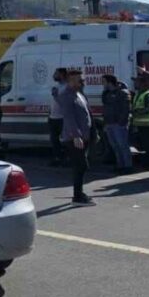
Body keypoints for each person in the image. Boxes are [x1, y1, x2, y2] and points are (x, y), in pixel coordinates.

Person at [58, 69, 94, 206]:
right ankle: (77, 196)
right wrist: (76, 135)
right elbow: (69, 117)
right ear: (70, 81)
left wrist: (93, 132)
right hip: (74, 138)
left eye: (81, 79)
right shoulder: (66, 95)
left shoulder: (79, 94)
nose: (81, 81)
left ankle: (79, 193)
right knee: (81, 165)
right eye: (78, 79)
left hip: (84, 136)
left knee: (82, 166)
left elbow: (87, 114)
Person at [101, 74, 133, 173]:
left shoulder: (122, 93)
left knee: (122, 145)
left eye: (104, 82)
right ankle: (120, 165)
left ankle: (128, 166)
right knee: (115, 146)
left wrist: (122, 122)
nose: (103, 84)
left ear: (110, 82)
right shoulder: (106, 94)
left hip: (119, 124)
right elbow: (106, 109)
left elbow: (126, 109)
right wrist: (105, 123)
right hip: (109, 123)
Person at [131, 73, 149, 168]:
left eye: (136, 82)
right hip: (141, 125)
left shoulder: (147, 94)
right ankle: (147, 162)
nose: (135, 83)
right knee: (145, 145)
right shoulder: (138, 94)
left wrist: (137, 111)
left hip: (148, 124)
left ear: (142, 83)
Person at [47, 68, 68, 166]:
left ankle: (67, 159)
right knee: (54, 140)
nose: (54, 75)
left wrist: (56, 96)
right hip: (53, 117)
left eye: (56, 74)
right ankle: (57, 158)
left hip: (62, 118)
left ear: (62, 75)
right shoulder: (56, 86)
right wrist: (49, 113)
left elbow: (65, 103)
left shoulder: (67, 87)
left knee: (66, 140)